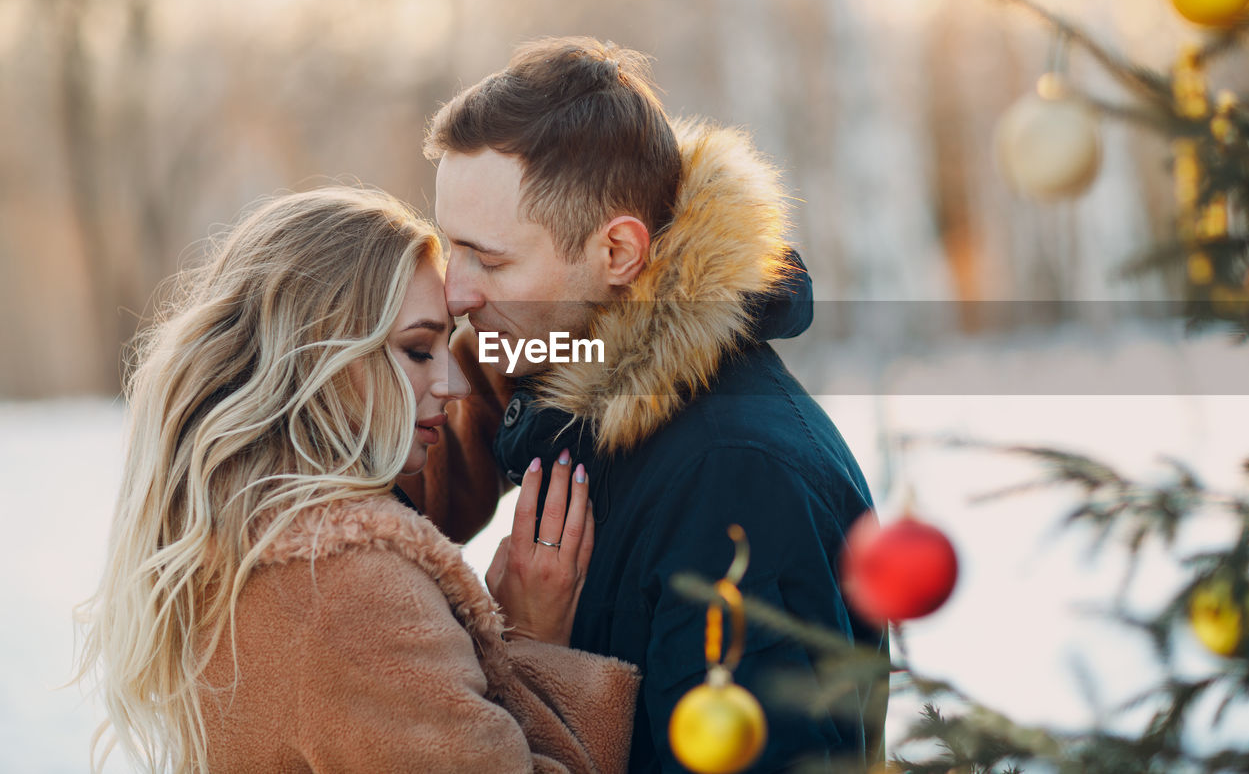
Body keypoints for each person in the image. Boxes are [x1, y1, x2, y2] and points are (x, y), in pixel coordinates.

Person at [403, 38, 888, 772]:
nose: (456, 291)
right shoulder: (579, 392)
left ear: (620, 253)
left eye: (490, 259)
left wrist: (532, 658)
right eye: (451, 248)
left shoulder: (733, 481)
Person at [75, 187, 639, 773]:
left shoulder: (248, 517)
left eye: (447, 343)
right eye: (420, 350)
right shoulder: (345, 589)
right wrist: (535, 645)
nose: (453, 383)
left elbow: (468, 415)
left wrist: (569, 314)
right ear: (316, 359)